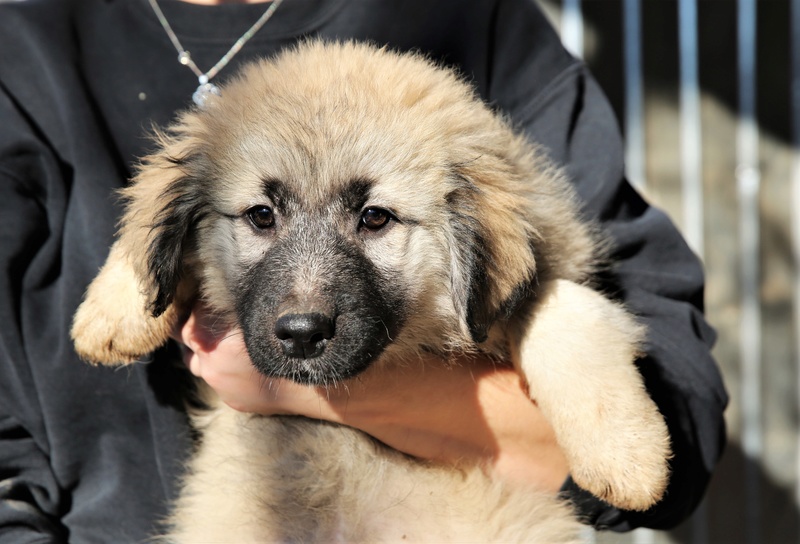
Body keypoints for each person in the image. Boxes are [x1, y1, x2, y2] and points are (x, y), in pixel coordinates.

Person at [0, 0, 727, 541]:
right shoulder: (24, 58)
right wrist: (139, 272)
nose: (303, 303)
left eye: (375, 220)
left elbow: (674, 420)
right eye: (261, 217)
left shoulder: (476, 22)